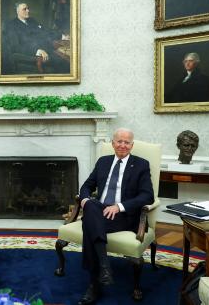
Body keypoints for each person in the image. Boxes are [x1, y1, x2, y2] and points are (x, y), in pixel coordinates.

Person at [77, 128, 154, 305]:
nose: (122, 145)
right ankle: (104, 268)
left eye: (127, 142)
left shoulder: (141, 164)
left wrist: (119, 207)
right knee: (91, 208)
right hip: (100, 212)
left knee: (89, 223)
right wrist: (85, 199)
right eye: (119, 141)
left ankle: (94, 284)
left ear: (132, 145)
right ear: (113, 143)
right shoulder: (103, 162)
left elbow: (147, 196)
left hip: (124, 217)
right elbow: (87, 186)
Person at [1, 2, 70, 74]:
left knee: (66, 59)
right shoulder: (12, 25)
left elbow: (45, 31)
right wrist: (37, 51)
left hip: (46, 50)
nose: (28, 11)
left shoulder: (32, 21)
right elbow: (15, 46)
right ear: (18, 11)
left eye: (28, 8)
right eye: (24, 9)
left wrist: (62, 36)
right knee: (63, 63)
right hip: (32, 55)